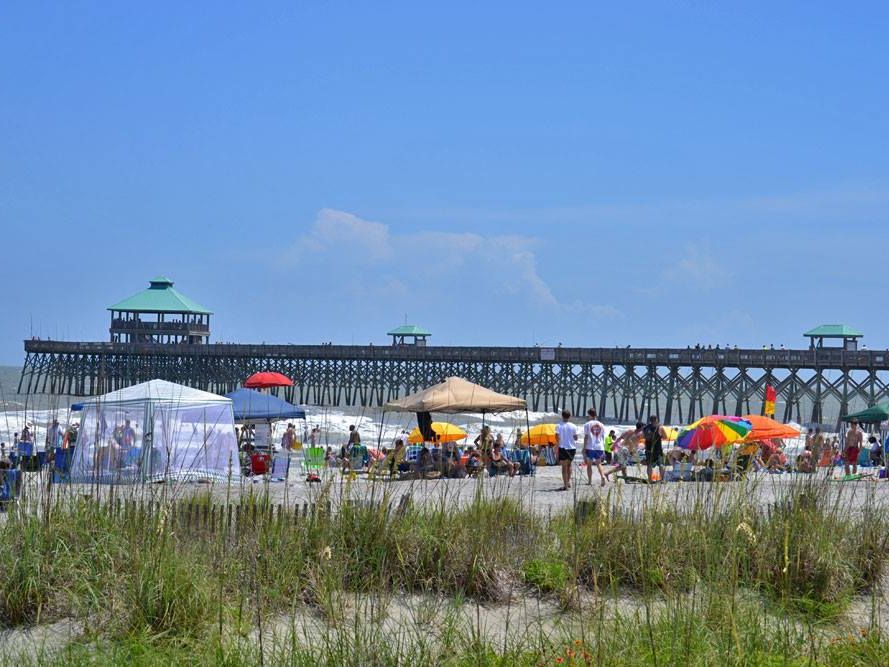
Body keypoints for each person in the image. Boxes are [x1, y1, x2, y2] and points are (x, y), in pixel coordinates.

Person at [582, 409, 607, 487]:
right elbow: (603, 437)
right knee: (599, 463)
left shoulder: (587, 424)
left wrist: (584, 447)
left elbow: (586, 437)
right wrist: (603, 447)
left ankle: (589, 481)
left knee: (589, 464)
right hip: (600, 446)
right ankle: (602, 476)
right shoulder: (601, 424)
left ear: (589, 415)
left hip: (590, 447)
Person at [555, 410, 577, 491]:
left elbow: (557, 437)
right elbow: (576, 438)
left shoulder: (558, 425)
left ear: (562, 416)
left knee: (564, 467)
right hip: (572, 448)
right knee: (569, 465)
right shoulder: (573, 426)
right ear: (570, 416)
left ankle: (565, 486)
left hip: (563, 447)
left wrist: (557, 446)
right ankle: (568, 482)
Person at [642, 415, 667, 483]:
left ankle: (650, 479)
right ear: (656, 420)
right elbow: (665, 437)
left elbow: (644, 437)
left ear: (650, 420)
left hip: (648, 449)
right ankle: (662, 479)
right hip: (658, 449)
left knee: (649, 464)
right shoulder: (660, 427)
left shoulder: (645, 428)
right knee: (661, 464)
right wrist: (660, 436)